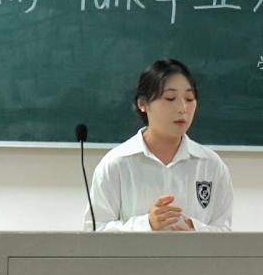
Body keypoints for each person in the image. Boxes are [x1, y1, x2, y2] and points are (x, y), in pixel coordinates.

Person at [83, 59, 234, 232]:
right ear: (143, 104)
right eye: (170, 98)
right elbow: (94, 232)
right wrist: (147, 224)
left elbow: (224, 232)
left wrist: (196, 231)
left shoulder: (211, 165)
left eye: (189, 99)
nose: (182, 108)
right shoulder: (117, 163)